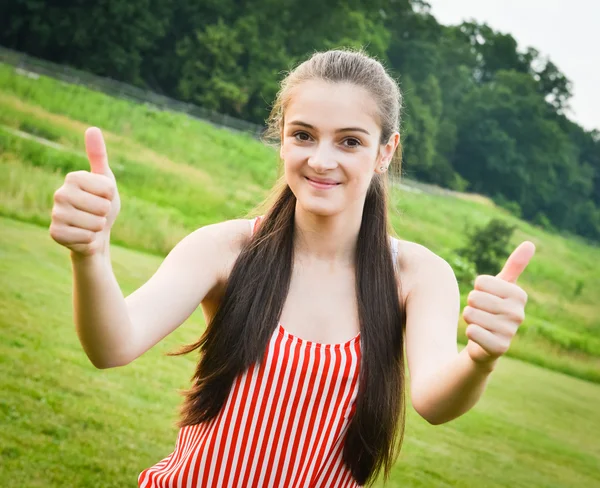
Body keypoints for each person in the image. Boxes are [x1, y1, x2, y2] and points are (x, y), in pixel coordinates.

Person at [49, 48, 535, 488]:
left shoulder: (418, 275)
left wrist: (479, 359)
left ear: (385, 152)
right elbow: (113, 345)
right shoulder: (227, 248)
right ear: (281, 140)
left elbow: (433, 401)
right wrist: (90, 254)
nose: (322, 160)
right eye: (303, 135)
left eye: (350, 141)